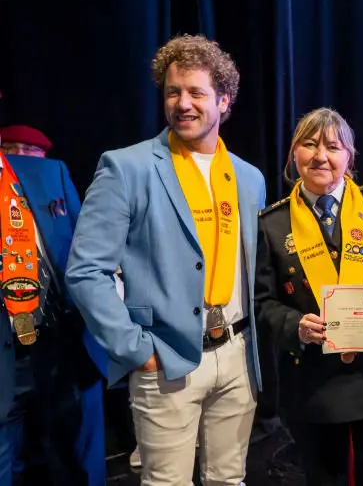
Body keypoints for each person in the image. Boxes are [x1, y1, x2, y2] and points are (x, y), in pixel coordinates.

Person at [66, 34, 266, 485]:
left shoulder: (250, 179)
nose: (183, 103)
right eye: (173, 91)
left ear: (224, 100)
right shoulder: (127, 167)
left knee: (228, 481)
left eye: (196, 92)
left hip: (237, 355)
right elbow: (85, 271)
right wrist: (138, 351)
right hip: (166, 358)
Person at [254, 107, 363, 486]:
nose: (320, 156)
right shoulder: (271, 224)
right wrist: (295, 325)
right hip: (314, 388)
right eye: (309, 144)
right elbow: (262, 303)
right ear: (293, 154)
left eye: (333, 146)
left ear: (349, 156)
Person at [0, 135, 106, 485]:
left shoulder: (51, 175)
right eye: (11, 150)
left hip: (60, 329)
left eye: (29, 152)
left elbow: (82, 249)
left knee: (72, 435)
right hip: (8, 342)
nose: (21, 159)